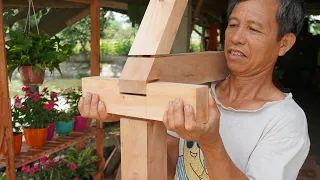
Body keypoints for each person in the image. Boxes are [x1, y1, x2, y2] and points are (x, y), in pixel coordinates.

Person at [78, 0, 310, 179]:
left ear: (284, 43)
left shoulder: (286, 121)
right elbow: (166, 168)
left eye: (254, 29)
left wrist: (210, 142)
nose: (237, 37)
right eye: (233, 25)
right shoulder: (194, 93)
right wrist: (130, 112)